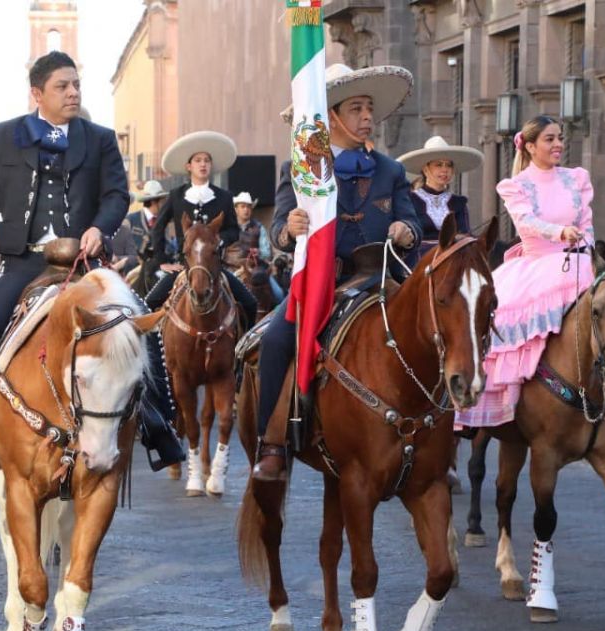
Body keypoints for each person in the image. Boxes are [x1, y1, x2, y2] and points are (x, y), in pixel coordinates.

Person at [0, 50, 183, 473]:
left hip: (86, 263)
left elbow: (116, 195)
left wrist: (100, 227)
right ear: (37, 93)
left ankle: (159, 426)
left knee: (142, 326)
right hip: (23, 263)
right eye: (62, 86)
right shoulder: (4, 136)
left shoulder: (100, 138)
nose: (73, 92)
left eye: (76, 85)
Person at [254, 62, 422, 479]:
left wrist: (407, 230)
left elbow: (413, 221)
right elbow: (276, 229)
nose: (367, 118)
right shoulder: (300, 167)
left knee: (434, 333)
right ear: (330, 116)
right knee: (277, 340)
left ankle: (439, 441)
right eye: (356, 109)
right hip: (319, 282)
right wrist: (287, 229)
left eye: (369, 109)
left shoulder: (391, 170)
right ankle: (272, 442)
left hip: (379, 280)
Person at [455, 115, 605, 450]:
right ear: (532, 146)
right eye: (549, 139)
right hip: (537, 266)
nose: (558, 145)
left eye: (559, 138)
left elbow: (587, 223)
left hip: (580, 262)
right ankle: (509, 401)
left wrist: (591, 256)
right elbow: (527, 221)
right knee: (502, 328)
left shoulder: (576, 179)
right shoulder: (517, 184)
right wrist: (559, 232)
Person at [142, 131, 259, 328]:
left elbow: (233, 230)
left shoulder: (223, 196)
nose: (203, 164)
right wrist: (162, 261)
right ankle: (156, 356)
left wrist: (219, 240)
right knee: (149, 303)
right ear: (189, 166)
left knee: (250, 303)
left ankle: (242, 354)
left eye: (206, 160)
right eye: (198, 160)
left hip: (215, 267)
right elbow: (157, 228)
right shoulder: (176, 196)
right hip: (184, 267)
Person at [397, 135, 483, 249]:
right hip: (417, 261)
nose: (445, 169)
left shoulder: (458, 202)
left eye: (449, 165)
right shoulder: (410, 200)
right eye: (438, 165)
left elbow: (465, 234)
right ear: (426, 169)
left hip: (451, 260)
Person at [126, 180, 173, 292]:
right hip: (133, 272)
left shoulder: (169, 222)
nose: (165, 204)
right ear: (153, 202)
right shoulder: (130, 220)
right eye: (162, 201)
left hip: (160, 269)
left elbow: (171, 247)